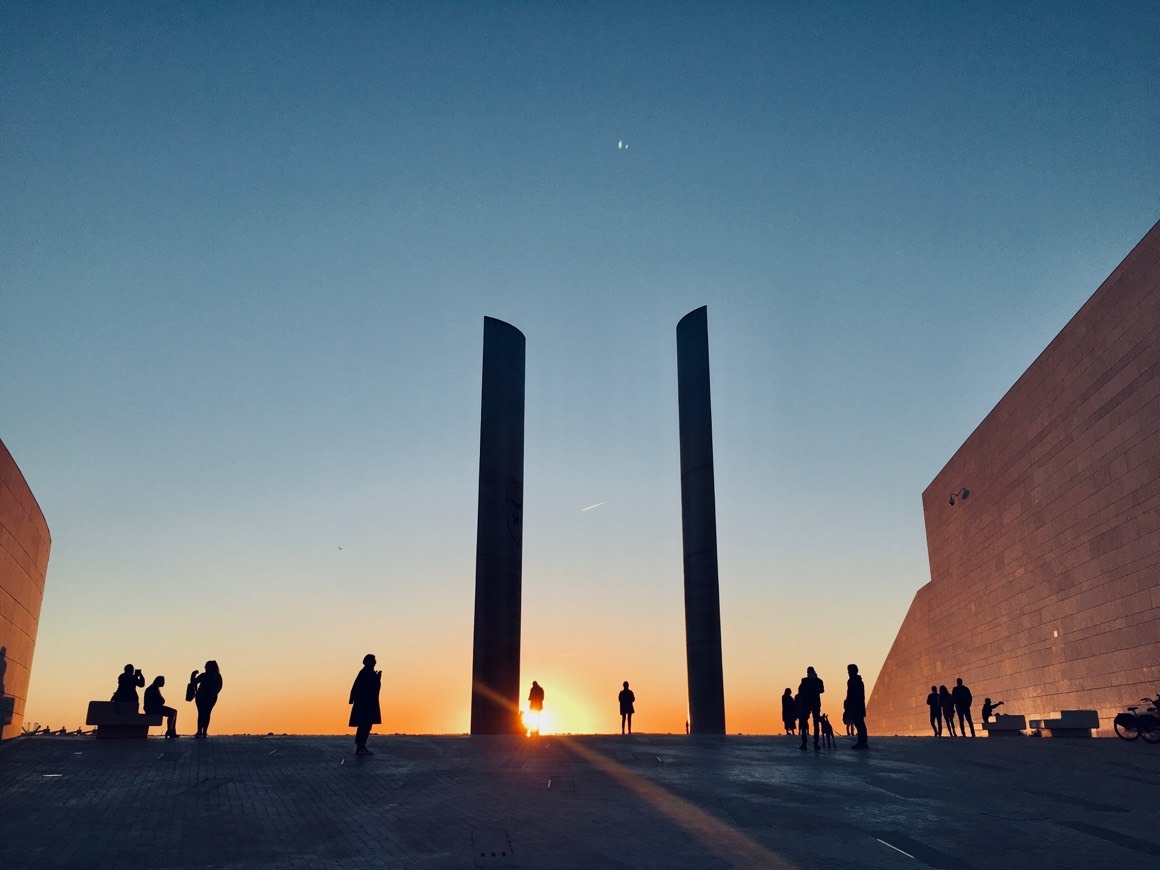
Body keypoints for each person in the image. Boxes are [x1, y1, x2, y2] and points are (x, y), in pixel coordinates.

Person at [348, 653, 382, 756]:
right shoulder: (366, 672)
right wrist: (377, 679)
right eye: (374, 660)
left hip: (365, 704)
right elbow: (367, 688)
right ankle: (360, 747)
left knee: (365, 726)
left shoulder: (366, 672)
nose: (375, 662)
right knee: (365, 725)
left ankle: (361, 746)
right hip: (366, 705)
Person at [189, 660, 223, 738]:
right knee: (203, 713)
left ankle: (202, 731)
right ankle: (201, 731)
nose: (205, 667)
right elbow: (193, 683)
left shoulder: (216, 676)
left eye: (206, 666)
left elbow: (219, 687)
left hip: (209, 697)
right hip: (202, 697)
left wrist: (212, 695)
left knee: (205, 713)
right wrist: (193, 675)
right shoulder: (204, 675)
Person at [797, 666, 824, 751]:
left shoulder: (807, 681)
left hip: (808, 704)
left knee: (809, 723)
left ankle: (808, 743)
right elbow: (821, 690)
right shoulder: (816, 681)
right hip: (812, 703)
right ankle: (812, 743)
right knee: (813, 723)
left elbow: (800, 690)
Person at [845, 663, 868, 749]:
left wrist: (848, 704)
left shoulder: (853, 681)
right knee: (860, 724)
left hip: (856, 707)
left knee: (859, 724)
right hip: (859, 706)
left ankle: (861, 742)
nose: (848, 672)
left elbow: (852, 695)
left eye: (849, 671)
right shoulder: (858, 681)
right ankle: (863, 742)